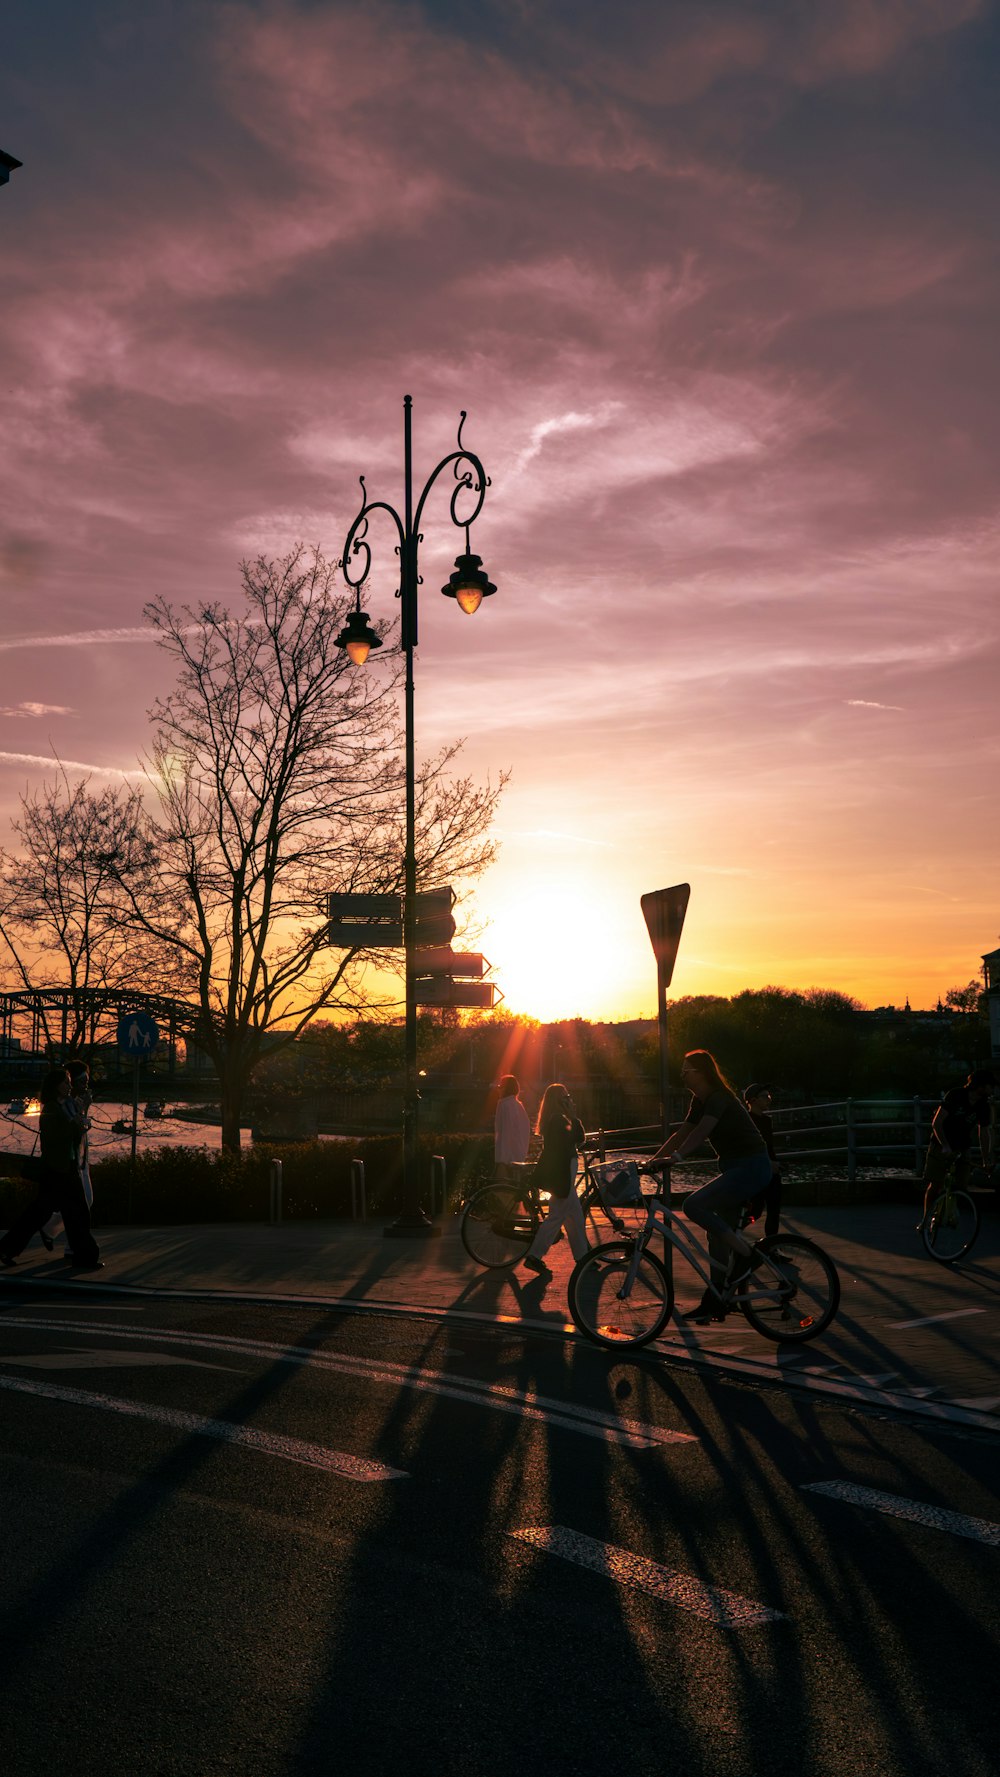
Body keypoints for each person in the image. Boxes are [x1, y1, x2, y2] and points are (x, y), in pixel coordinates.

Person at [651, 1049, 771, 1324]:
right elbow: (682, 1133)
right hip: (735, 1168)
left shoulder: (718, 1098)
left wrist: (677, 1158)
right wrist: (653, 1161)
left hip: (751, 1167)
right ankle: (716, 1298)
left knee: (693, 1205)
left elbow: (701, 1132)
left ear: (702, 1073)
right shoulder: (700, 1099)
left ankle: (748, 1256)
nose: (681, 1073)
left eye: (686, 1069)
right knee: (716, 1236)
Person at [0, 1067, 102, 1271]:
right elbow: (61, 1136)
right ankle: (84, 1256)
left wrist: (79, 1117)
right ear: (56, 1086)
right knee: (75, 1214)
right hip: (59, 1171)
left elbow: (75, 1135)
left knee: (44, 1213)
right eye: (65, 1082)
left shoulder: (63, 1107)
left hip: (63, 1169)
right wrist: (77, 1119)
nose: (69, 1085)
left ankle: (7, 1248)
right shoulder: (51, 1110)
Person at [521, 1082, 587, 1279]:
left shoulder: (553, 1120)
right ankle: (534, 1255)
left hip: (562, 1170)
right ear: (559, 1101)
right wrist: (574, 1117)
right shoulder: (559, 1120)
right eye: (566, 1097)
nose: (569, 1100)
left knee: (574, 1216)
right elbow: (578, 1138)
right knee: (558, 1216)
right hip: (564, 1171)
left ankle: (583, 1258)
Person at [920, 1067, 995, 1226]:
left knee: (961, 1185)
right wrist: (945, 1145)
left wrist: (986, 1159)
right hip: (941, 1143)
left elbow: (984, 1133)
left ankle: (950, 1208)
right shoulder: (956, 1095)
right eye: (990, 1085)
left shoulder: (983, 1106)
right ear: (980, 1085)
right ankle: (926, 1219)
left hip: (962, 1146)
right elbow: (937, 1122)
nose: (992, 1089)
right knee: (935, 1183)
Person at [742, 1082, 783, 1241]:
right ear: (752, 1100)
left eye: (769, 1096)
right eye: (764, 1096)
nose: (768, 1099)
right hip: (757, 1169)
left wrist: (776, 1164)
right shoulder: (747, 1121)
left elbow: (769, 1147)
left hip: (771, 1169)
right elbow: (751, 1148)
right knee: (756, 1210)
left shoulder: (767, 1121)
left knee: (774, 1209)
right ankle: (730, 1234)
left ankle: (771, 1246)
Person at [493, 1074, 530, 1183]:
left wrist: (502, 1161)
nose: (498, 1089)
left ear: (506, 1089)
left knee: (503, 1190)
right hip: (518, 1155)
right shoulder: (517, 1105)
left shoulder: (505, 1105)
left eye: (500, 1086)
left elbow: (505, 1133)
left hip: (508, 1158)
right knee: (514, 1189)